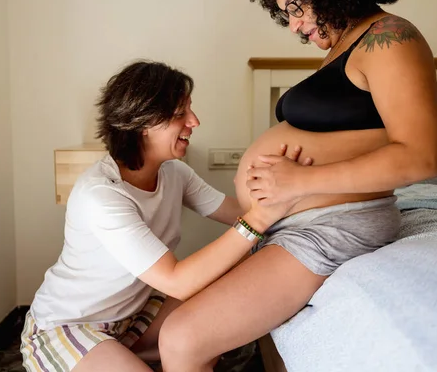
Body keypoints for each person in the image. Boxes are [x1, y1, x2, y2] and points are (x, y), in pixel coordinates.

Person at [158, 0, 437, 370]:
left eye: (296, 7)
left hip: (331, 226)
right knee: (158, 329)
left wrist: (300, 181)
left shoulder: (391, 38)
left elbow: (422, 156)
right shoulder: (347, 45)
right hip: (288, 222)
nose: (293, 24)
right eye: (285, 13)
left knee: (181, 339)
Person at [19, 60, 310, 372]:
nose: (194, 121)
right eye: (180, 113)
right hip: (69, 326)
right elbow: (178, 281)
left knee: (210, 323)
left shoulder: (174, 173)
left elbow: (236, 214)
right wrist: (260, 219)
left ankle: (130, 355)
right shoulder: (101, 196)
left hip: (132, 317)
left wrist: (290, 187)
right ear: (143, 121)